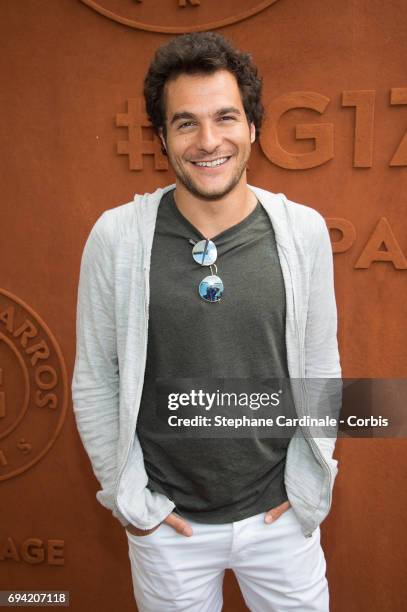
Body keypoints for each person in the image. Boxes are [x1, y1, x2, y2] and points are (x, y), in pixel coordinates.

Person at [71, 31, 341, 612]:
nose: (209, 140)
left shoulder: (304, 232)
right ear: (162, 138)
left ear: (253, 128)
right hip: (169, 530)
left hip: (281, 520)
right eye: (186, 123)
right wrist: (132, 502)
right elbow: (94, 378)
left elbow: (321, 364)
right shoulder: (116, 238)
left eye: (226, 117)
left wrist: (307, 480)